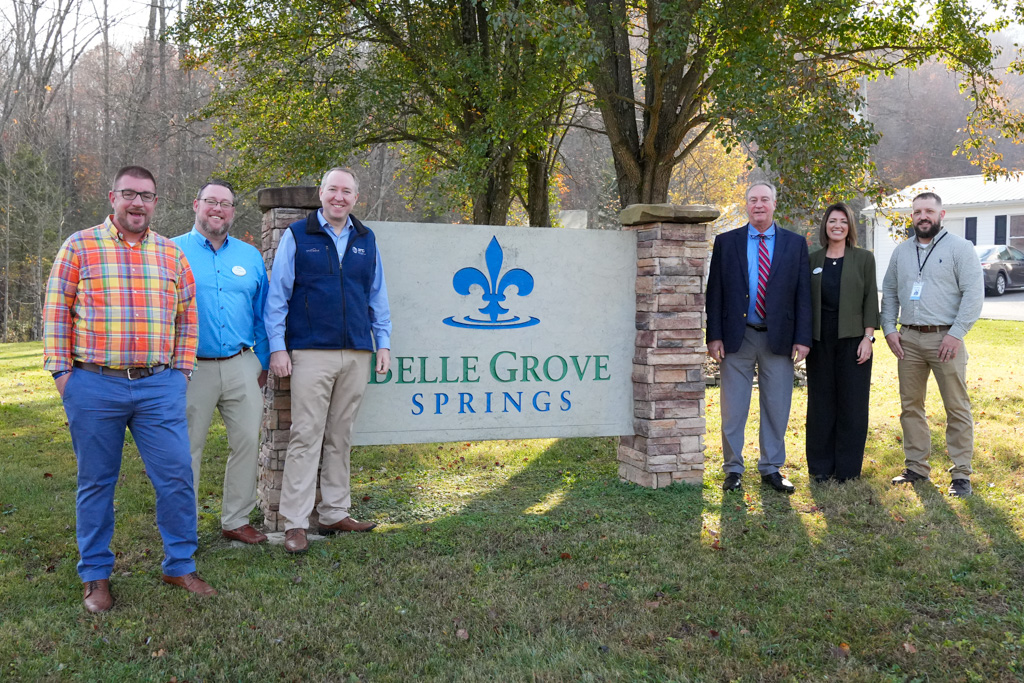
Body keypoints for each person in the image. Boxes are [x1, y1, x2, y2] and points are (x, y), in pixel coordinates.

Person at [43, 165, 216, 614]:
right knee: (97, 482)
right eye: (129, 194)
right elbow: (56, 312)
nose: (137, 203)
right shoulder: (79, 246)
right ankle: (95, 575)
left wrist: (180, 374)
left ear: (156, 202)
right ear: (112, 197)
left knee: (177, 476)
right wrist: (64, 376)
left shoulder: (170, 254)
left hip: (159, 386)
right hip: (94, 384)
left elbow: (188, 317)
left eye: (146, 196)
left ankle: (179, 564)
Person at [265, 167, 392, 553]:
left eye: (347, 192)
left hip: (356, 350)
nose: (339, 197)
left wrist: (382, 342)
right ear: (321, 193)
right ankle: (296, 523)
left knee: (341, 435)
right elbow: (278, 296)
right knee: (306, 435)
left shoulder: (366, 239)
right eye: (333, 190)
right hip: (310, 351)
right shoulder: (298, 236)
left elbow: (377, 296)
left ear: (356, 198)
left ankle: (335, 511)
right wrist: (277, 346)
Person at [172, 180, 270, 544]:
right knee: (186, 448)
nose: (218, 209)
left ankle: (236, 519)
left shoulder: (249, 256)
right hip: (188, 367)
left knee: (246, 440)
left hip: (242, 363)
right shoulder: (170, 251)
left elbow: (263, 313)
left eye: (225, 204)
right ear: (196, 205)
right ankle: (183, 527)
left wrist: (259, 361)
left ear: (233, 211)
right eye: (211, 201)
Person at [706, 181, 812, 494]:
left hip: (779, 338)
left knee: (777, 406)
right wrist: (714, 336)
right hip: (737, 338)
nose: (759, 205)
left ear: (774, 204)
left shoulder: (795, 244)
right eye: (753, 200)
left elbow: (803, 295)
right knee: (733, 408)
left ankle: (772, 468)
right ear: (747, 205)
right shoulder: (727, 242)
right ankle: (733, 470)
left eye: (764, 199)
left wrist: (803, 338)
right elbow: (715, 293)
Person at [881, 191, 984, 497]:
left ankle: (961, 473)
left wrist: (957, 333)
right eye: (917, 212)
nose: (922, 216)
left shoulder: (960, 249)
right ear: (911, 217)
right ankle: (916, 467)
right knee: (910, 406)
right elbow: (889, 292)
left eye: (928, 211)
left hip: (946, 339)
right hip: (908, 339)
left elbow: (973, 295)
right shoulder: (901, 252)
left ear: (942, 215)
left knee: (956, 406)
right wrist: (889, 329)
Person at [805, 202, 879, 483]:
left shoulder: (863, 259)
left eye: (843, 221)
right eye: (832, 220)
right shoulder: (812, 260)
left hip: (853, 341)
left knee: (852, 405)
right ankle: (821, 468)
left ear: (850, 227)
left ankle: (848, 470)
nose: (837, 225)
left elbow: (871, 298)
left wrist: (868, 337)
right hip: (819, 341)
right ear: (825, 225)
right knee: (821, 404)